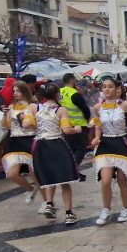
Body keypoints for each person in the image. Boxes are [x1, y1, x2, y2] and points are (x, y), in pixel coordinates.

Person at [31, 84, 82, 224]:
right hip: (56, 145)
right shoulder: (61, 110)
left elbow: (27, 124)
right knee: (65, 180)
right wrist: (77, 129)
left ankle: (48, 204)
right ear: (57, 95)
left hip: (41, 146)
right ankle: (69, 213)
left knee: (49, 177)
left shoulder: (34, 108)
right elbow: (66, 130)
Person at [89, 75, 127, 226]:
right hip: (106, 143)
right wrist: (96, 138)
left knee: (122, 180)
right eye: (104, 87)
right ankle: (106, 209)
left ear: (117, 89)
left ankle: (126, 208)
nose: (107, 89)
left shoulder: (125, 105)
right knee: (106, 180)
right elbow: (98, 126)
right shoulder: (97, 108)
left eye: (110, 86)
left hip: (122, 142)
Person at [0, 82, 38, 204]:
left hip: (29, 140)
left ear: (25, 92)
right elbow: (5, 126)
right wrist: (5, 114)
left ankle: (47, 202)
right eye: (14, 91)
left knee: (35, 174)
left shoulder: (32, 106)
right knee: (11, 174)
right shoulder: (11, 107)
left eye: (18, 91)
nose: (15, 93)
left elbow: (40, 124)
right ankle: (29, 189)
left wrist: (28, 121)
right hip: (14, 141)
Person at [59, 73, 91, 182]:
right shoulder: (74, 94)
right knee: (81, 148)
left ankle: (71, 170)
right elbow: (84, 109)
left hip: (65, 124)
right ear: (72, 80)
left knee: (71, 149)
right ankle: (73, 170)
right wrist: (87, 119)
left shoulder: (60, 92)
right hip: (79, 125)